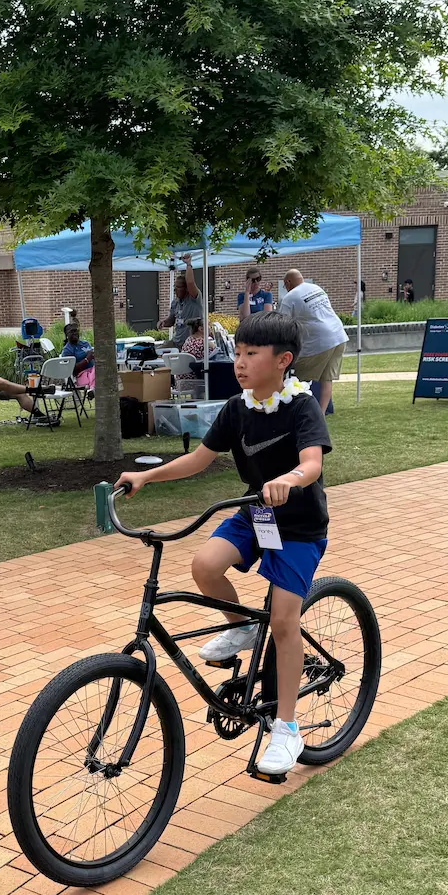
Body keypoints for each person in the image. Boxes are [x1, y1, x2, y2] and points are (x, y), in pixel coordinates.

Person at [116, 313, 331, 777]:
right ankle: (241, 627)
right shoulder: (237, 409)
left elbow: (311, 463)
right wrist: (146, 477)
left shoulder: (301, 406)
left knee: (284, 621)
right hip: (255, 515)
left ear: (283, 360)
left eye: (251, 354)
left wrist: (289, 480)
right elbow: (198, 459)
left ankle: (287, 728)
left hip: (297, 526)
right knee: (205, 565)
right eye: (236, 352)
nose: (239, 362)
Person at [276, 269, 348, 412]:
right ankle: (320, 416)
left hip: (319, 341)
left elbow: (281, 327)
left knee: (297, 381)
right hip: (339, 336)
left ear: (287, 282)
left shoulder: (289, 298)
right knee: (326, 380)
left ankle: (299, 414)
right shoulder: (316, 288)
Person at [166, 253, 204, 343]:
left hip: (192, 343)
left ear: (186, 289)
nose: (175, 289)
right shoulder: (175, 303)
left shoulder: (194, 299)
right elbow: (171, 321)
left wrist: (188, 264)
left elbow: (190, 282)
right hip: (176, 342)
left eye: (178, 287)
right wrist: (163, 322)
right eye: (174, 287)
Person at [61, 323, 95, 391]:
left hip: (93, 371)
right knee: (98, 372)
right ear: (67, 335)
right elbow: (71, 369)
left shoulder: (85, 343)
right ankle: (93, 389)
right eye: (71, 331)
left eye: (76, 331)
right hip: (80, 376)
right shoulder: (67, 350)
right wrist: (87, 359)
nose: (74, 333)